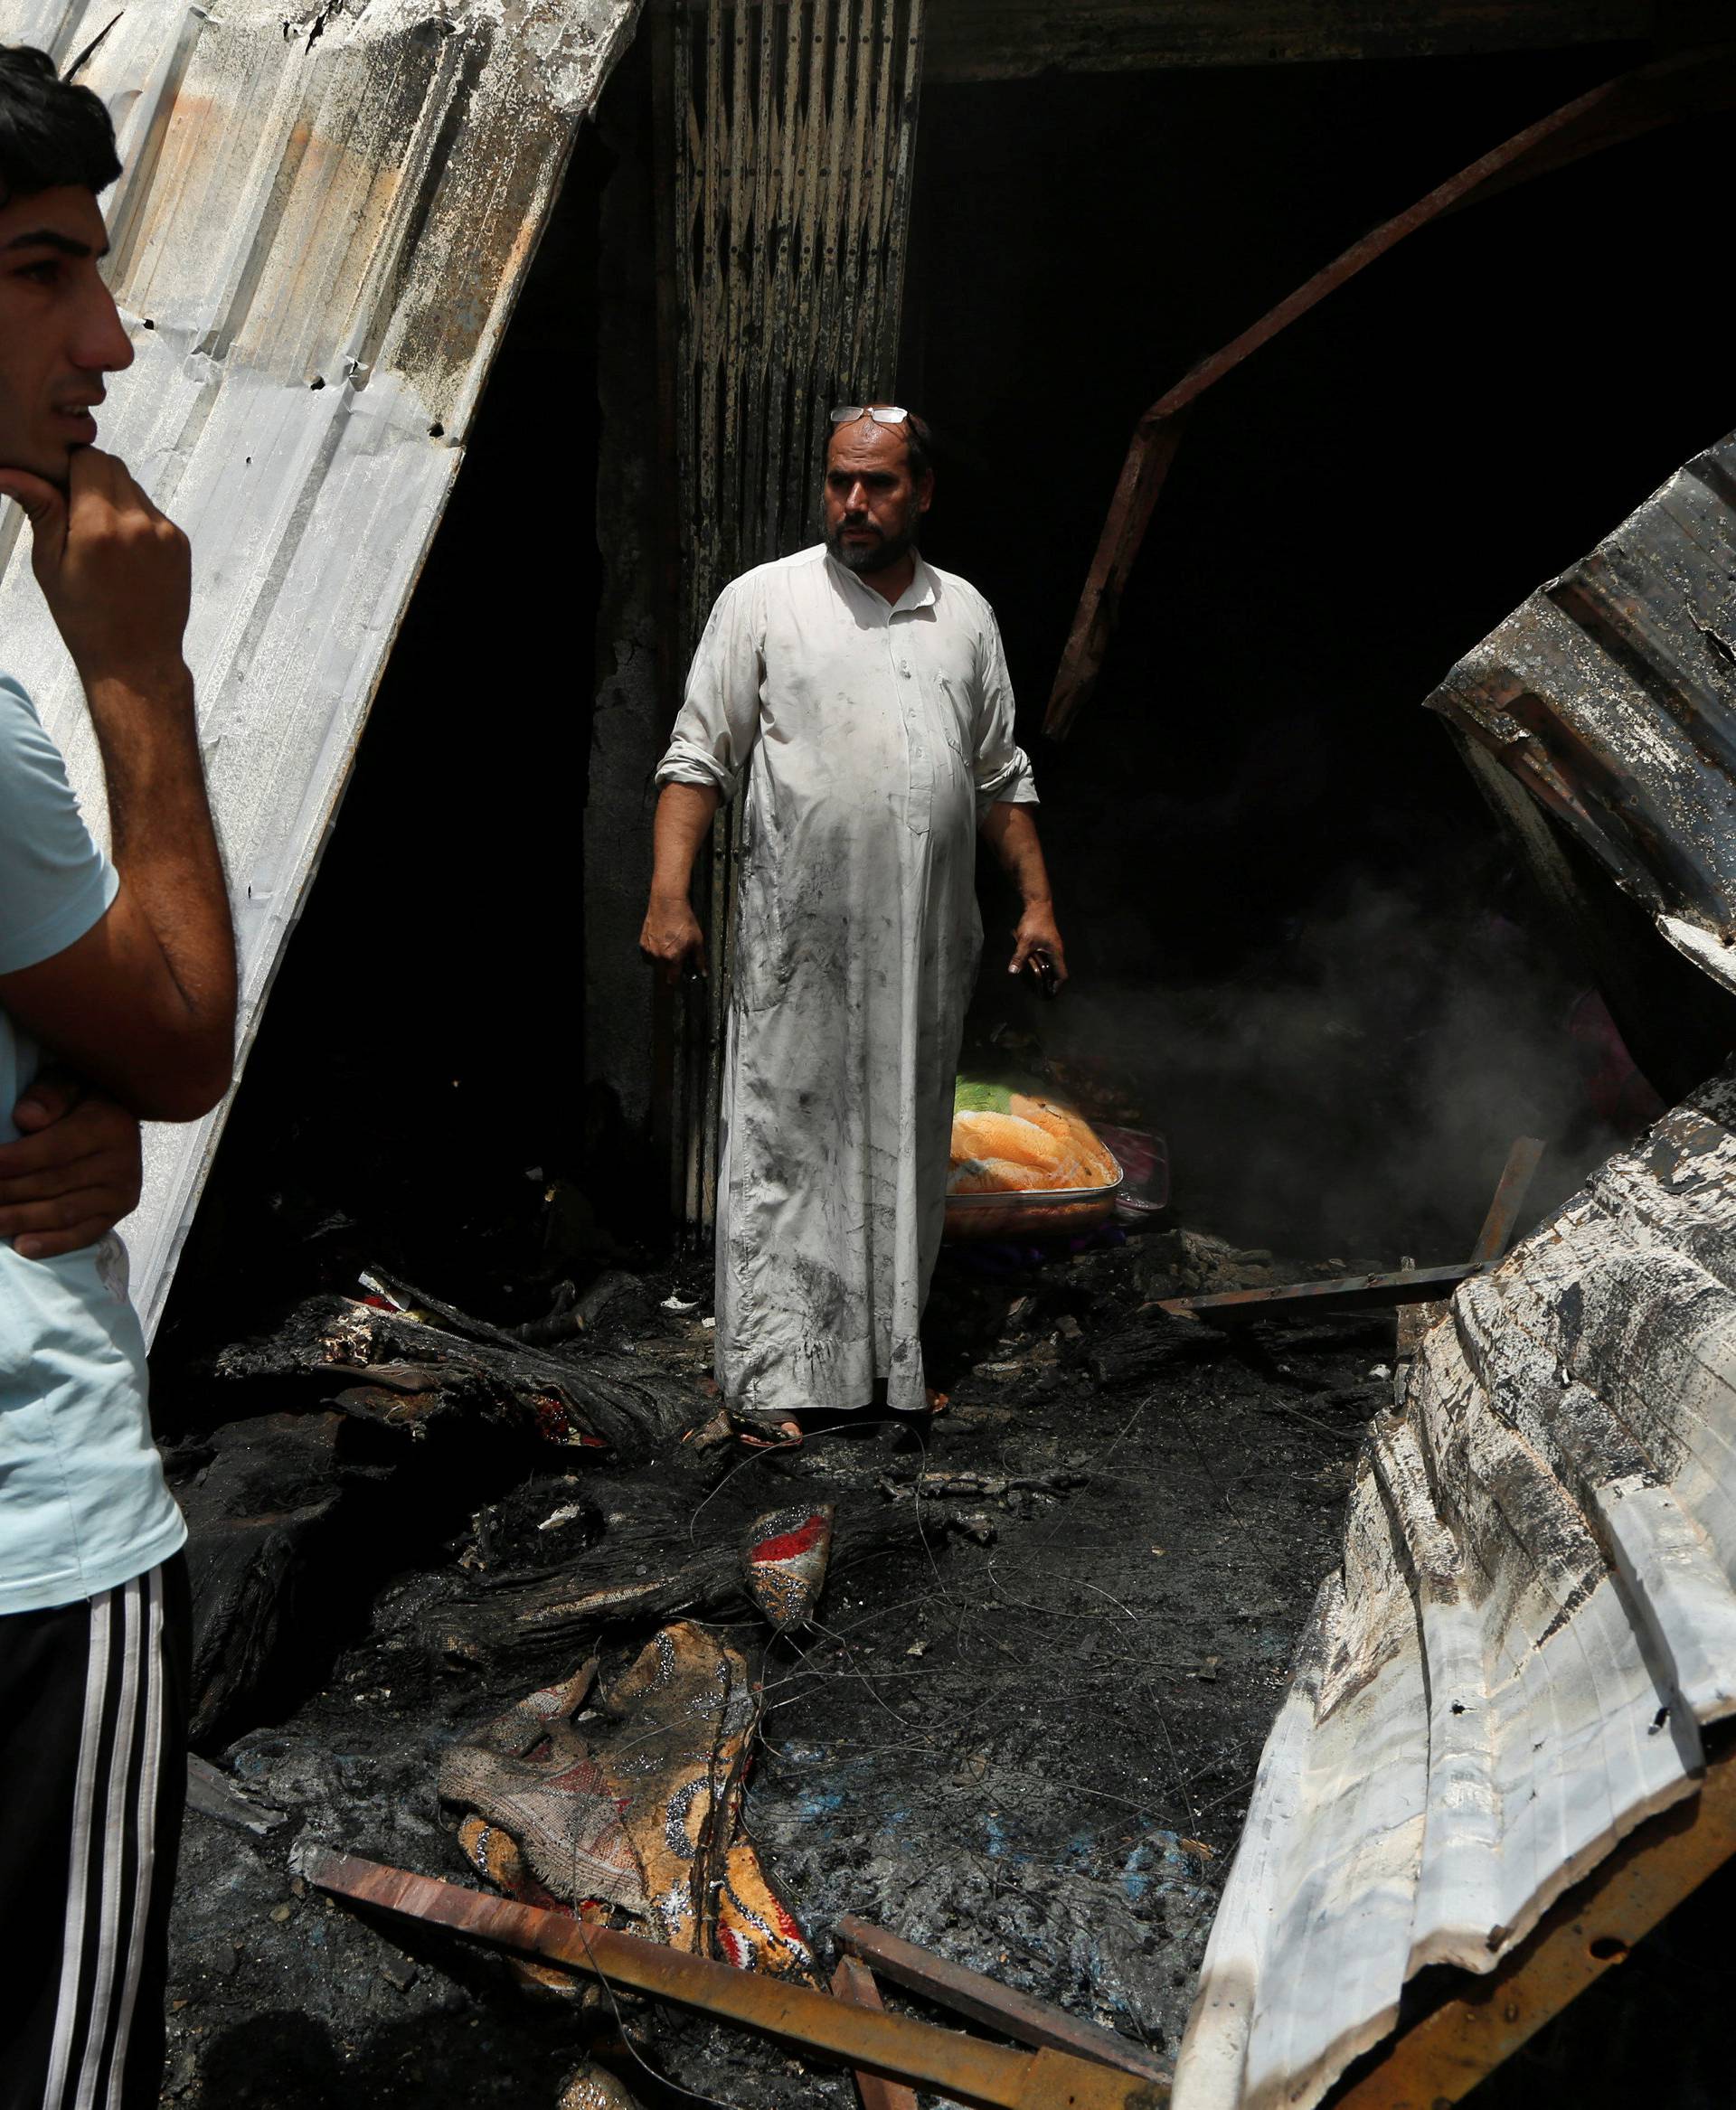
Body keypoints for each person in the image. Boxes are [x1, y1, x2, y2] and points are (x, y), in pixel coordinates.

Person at [0, 44, 237, 2110]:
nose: (111, 336)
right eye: (40, 271)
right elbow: (177, 1029)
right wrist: (139, 671)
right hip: (29, 1547)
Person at [641, 403, 1065, 1446]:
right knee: (787, 1146)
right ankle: (770, 1379)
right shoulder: (765, 601)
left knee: (905, 1148)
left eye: (877, 484)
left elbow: (1000, 773)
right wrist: (668, 895)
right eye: (839, 482)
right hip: (800, 941)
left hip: (924, 945)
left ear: (923, 492)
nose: (854, 503)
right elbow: (698, 757)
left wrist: (1039, 900)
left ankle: (886, 1368)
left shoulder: (962, 615)